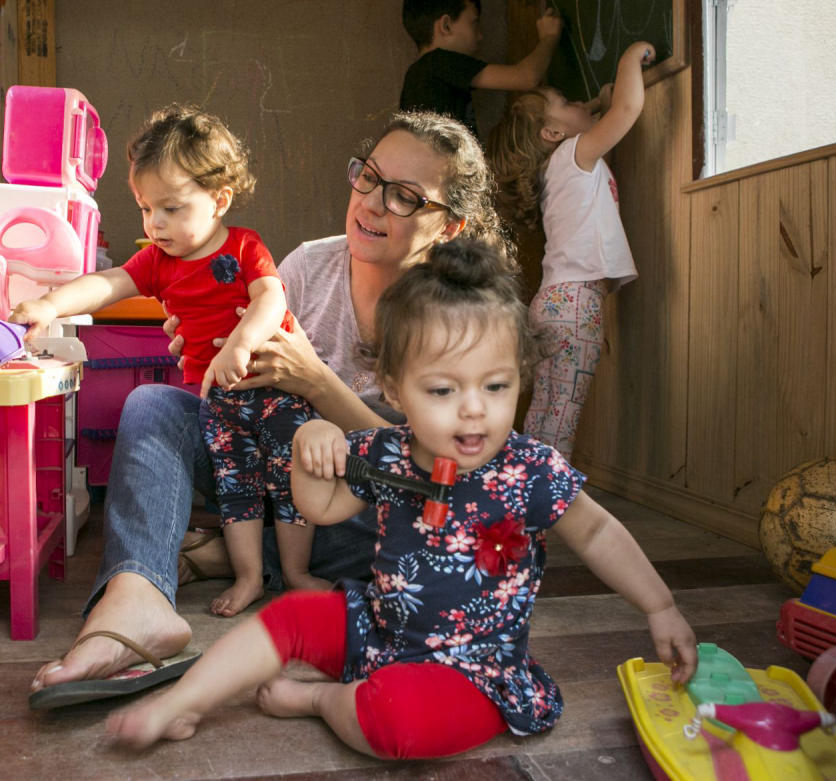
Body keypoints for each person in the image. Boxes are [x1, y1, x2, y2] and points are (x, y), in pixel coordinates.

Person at [106, 238, 698, 759]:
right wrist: (313, 445)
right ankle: (180, 704)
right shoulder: (387, 451)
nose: (474, 408)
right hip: (379, 629)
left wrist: (659, 606)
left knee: (401, 726)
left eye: (497, 386)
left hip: (474, 673)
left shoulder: (530, 468)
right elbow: (322, 509)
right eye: (442, 389)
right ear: (394, 387)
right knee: (288, 615)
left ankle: (323, 701)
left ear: (520, 373)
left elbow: (596, 532)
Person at [28, 111, 502, 709]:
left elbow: (446, 471)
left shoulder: (461, 319)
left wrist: (318, 383)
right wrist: (207, 345)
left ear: (449, 226)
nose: (374, 204)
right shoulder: (308, 265)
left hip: (362, 509)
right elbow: (232, 358)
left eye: (405, 196)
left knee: (444, 534)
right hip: (271, 473)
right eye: (369, 177)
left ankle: (229, 550)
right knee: (153, 405)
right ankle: (138, 595)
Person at [10, 104, 329, 620]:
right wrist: (49, 305)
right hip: (221, 405)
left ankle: (295, 574)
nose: (155, 223)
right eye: (144, 208)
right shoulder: (159, 262)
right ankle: (249, 575)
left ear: (219, 199)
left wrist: (239, 345)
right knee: (236, 489)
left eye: (172, 208)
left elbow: (272, 301)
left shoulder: (245, 247)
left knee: (293, 482)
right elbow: (107, 284)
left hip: (276, 395)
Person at [487, 41, 655, 458]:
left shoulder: (556, 164)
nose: (578, 101)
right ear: (552, 134)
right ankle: (551, 505)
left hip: (554, 302)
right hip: (577, 304)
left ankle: (525, 496)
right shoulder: (572, 154)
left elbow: (592, 115)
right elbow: (626, 111)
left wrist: (594, 102)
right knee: (562, 415)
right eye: (564, 101)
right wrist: (629, 55)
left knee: (545, 412)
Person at [399, 0, 562, 136]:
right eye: (474, 23)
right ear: (446, 26)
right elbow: (526, 77)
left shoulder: (420, 76)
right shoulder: (438, 62)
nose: (480, 36)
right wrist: (549, 37)